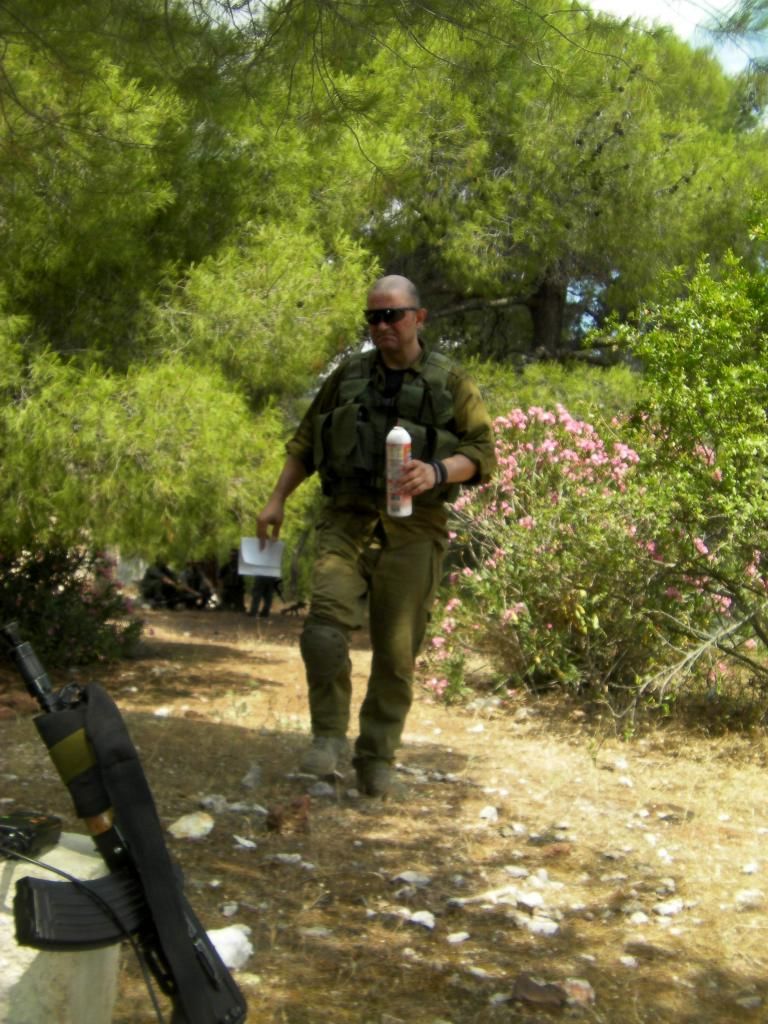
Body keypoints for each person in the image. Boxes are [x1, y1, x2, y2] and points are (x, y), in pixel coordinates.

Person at [256, 275, 496, 797]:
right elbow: (305, 441)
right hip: (347, 520)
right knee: (323, 630)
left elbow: (482, 455)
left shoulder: (451, 382)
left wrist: (436, 471)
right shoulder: (347, 377)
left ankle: (377, 758)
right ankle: (327, 738)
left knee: (396, 654)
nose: (382, 325)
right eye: (373, 317)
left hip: (416, 529)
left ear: (419, 317)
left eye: (393, 315)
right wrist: (277, 499)